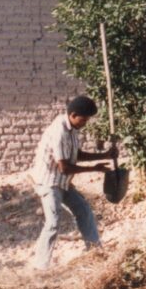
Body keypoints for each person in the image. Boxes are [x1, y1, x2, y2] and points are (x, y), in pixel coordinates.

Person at [29, 95, 115, 271]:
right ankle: (39, 266)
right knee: (53, 223)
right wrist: (95, 168)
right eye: (83, 120)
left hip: (62, 181)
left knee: (83, 210)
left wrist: (105, 155)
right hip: (49, 182)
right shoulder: (59, 132)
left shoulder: (72, 128)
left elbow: (76, 155)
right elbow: (65, 168)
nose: (85, 123)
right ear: (73, 114)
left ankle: (95, 253)